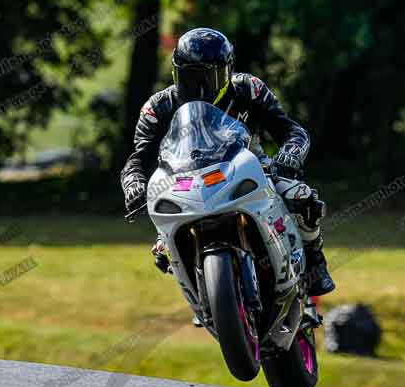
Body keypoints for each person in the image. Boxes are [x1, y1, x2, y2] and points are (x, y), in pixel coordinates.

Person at [121, 27, 335, 296]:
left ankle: (316, 260)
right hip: (183, 181)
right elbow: (137, 160)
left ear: (227, 71)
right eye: (190, 76)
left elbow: (292, 131)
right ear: (176, 73)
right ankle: (201, 290)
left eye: (207, 76)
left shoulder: (249, 89)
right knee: (162, 250)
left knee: (302, 198)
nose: (199, 86)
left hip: (246, 167)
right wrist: (134, 185)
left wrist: (289, 155)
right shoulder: (158, 107)